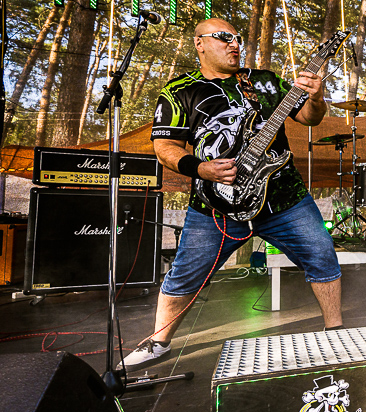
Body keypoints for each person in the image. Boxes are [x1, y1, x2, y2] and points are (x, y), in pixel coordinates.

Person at [118, 18, 342, 370]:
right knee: (185, 274)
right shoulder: (180, 90)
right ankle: (158, 342)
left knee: (322, 255)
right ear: (200, 44)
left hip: (283, 199)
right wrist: (199, 168)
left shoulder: (265, 81)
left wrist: (316, 97)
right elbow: (165, 146)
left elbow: (310, 118)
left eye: (237, 38)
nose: (234, 43)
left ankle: (336, 332)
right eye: (223, 38)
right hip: (215, 203)